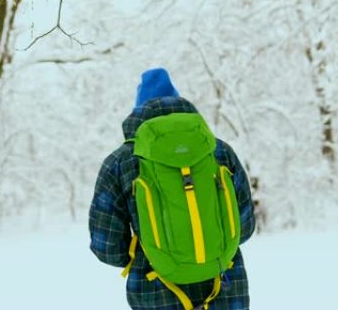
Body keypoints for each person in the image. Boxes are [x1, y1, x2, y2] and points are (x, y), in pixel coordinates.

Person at [89, 68, 255, 310]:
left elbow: (106, 246)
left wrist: (151, 254)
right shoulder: (219, 151)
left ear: (138, 112)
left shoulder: (120, 162)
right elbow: (245, 227)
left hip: (155, 290)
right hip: (226, 287)